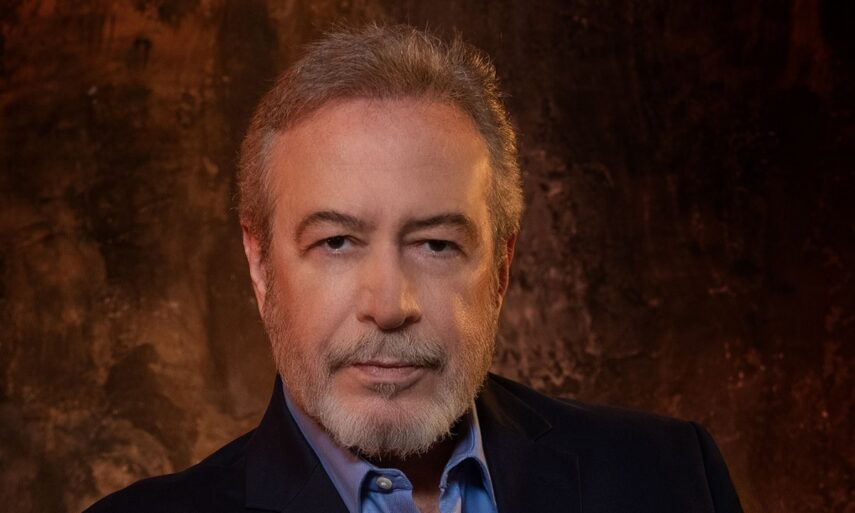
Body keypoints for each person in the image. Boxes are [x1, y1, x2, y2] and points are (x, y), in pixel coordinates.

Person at [85, 24, 744, 513]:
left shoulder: (673, 479)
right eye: (337, 242)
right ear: (260, 267)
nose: (389, 304)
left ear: (500, 269)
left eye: (435, 245)